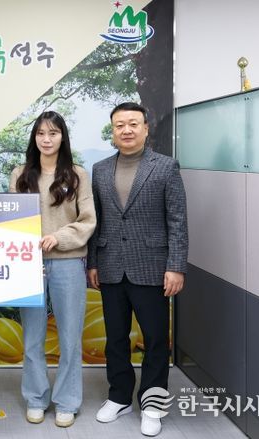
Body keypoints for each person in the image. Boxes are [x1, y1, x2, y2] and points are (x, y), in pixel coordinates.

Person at [87, 102, 188, 437]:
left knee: (156, 339)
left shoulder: (166, 167)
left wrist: (176, 266)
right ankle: (119, 397)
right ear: (112, 131)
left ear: (146, 128)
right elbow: (97, 220)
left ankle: (152, 404)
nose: (126, 130)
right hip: (111, 266)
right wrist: (93, 262)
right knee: (115, 338)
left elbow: (177, 220)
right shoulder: (100, 169)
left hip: (153, 267)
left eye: (133, 123)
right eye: (119, 125)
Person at [9, 111, 96, 428]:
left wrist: (58, 238)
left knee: (70, 336)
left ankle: (67, 401)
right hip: (28, 264)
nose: (46, 139)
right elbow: (11, 218)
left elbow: (88, 220)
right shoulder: (20, 174)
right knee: (32, 336)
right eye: (41, 133)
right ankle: (35, 397)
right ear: (34, 138)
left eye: (53, 133)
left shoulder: (77, 175)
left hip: (68, 262)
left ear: (63, 137)